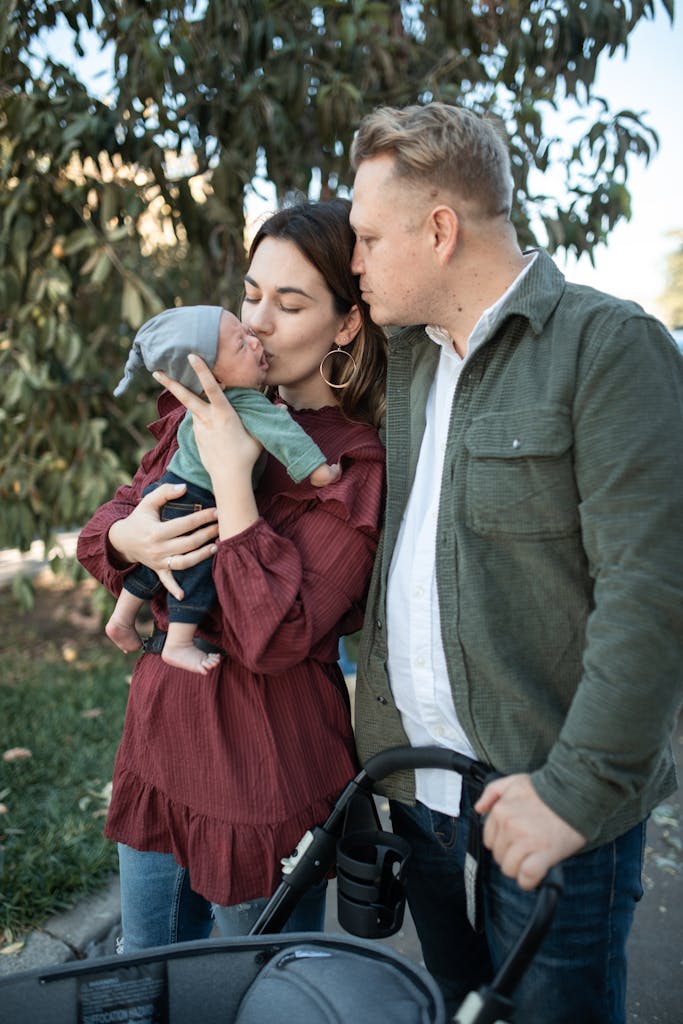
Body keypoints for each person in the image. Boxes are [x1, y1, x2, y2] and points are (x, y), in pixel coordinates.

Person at [349, 102, 683, 1024]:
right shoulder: (412, 364)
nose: (357, 260)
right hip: (416, 785)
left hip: (544, 800)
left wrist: (574, 798)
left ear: (440, 229)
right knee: (457, 1008)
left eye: (370, 236)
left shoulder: (607, 348)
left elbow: (652, 596)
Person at [77, 197, 387, 950]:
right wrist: (129, 538)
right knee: (141, 971)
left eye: (289, 303)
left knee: (256, 988)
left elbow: (270, 638)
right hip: (160, 738)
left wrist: (235, 480)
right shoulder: (212, 403)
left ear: (346, 324)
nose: (257, 322)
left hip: (263, 767)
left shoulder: (351, 466)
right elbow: (103, 529)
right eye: (251, 294)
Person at [106, 303, 341, 675]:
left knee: (162, 558)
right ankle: (180, 643)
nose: (255, 337)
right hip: (201, 500)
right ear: (211, 375)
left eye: (290, 304)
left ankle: (122, 616)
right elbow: (287, 439)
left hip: (172, 489)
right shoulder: (245, 402)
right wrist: (319, 472)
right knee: (195, 568)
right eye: (240, 343)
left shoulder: (199, 409)